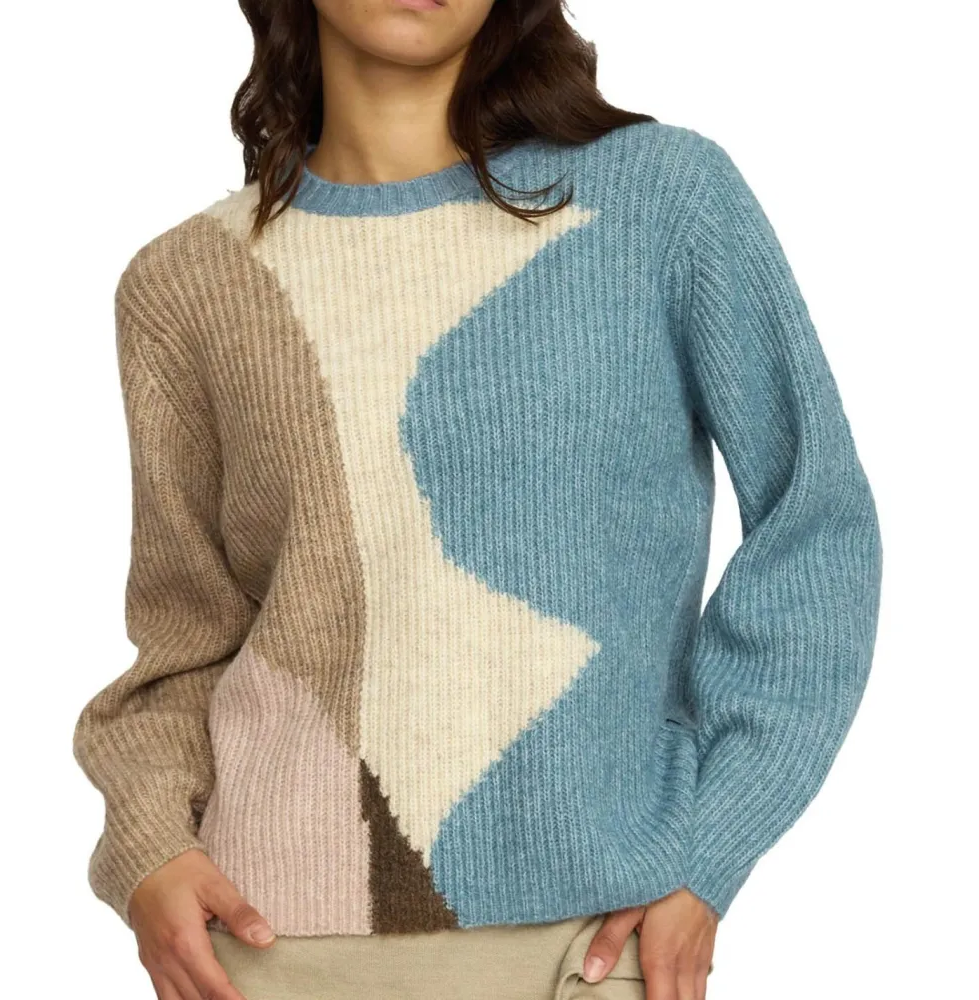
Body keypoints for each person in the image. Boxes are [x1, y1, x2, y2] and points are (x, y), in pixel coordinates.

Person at [71, 1, 883, 998]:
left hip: (586, 944)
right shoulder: (188, 282)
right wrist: (151, 847)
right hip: (269, 947)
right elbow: (184, 640)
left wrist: (714, 842)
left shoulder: (660, 201)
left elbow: (817, 527)